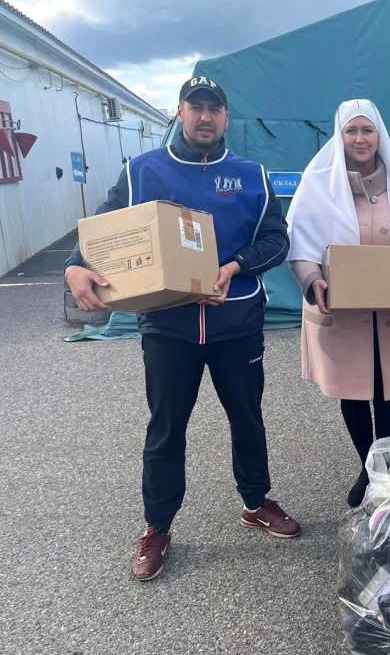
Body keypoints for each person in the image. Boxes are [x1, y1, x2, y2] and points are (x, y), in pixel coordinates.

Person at [65, 77, 300, 582]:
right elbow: (103, 229)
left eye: (215, 108)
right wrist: (74, 266)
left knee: (247, 418)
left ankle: (256, 502)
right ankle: (157, 526)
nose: (205, 116)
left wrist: (235, 266)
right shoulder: (143, 171)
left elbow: (277, 240)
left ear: (227, 117)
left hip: (236, 321)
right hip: (168, 326)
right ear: (179, 112)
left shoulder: (251, 175)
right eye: (196, 107)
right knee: (167, 426)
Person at [286, 99, 390, 507]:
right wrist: (312, 279)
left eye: (367, 130)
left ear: (379, 135)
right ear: (339, 136)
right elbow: (300, 243)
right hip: (343, 312)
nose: (359, 138)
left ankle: (382, 468)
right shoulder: (318, 182)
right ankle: (367, 467)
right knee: (353, 392)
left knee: (388, 391)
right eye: (351, 130)